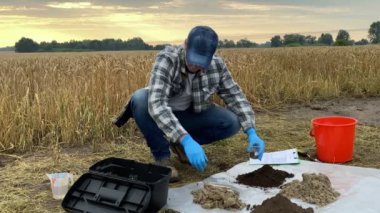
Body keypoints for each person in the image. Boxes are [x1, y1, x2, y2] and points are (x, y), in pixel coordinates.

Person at [113, 26, 265, 182]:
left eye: (201, 62)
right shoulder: (167, 60)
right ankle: (163, 157)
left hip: (190, 113)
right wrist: (186, 139)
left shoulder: (217, 65)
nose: (196, 66)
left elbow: (235, 96)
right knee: (140, 99)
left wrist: (252, 131)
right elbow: (156, 104)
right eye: (193, 59)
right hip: (160, 115)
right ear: (185, 45)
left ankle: (179, 145)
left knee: (231, 122)